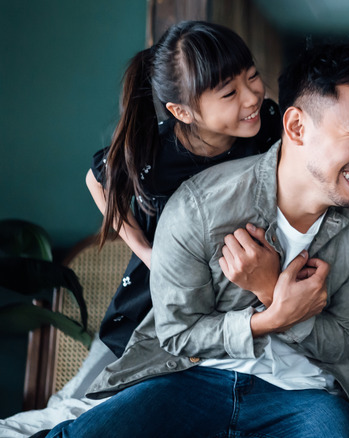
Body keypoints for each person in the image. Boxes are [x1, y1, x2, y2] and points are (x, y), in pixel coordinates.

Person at [43, 42, 349, 437]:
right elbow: (178, 335)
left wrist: (270, 291)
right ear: (296, 127)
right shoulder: (199, 203)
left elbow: (342, 345)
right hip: (188, 376)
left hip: (302, 392)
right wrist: (270, 318)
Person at [87, 20, 281, 358]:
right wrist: (149, 254)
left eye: (252, 76)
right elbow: (97, 180)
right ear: (182, 111)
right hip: (169, 295)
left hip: (240, 282)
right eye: (229, 93)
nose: (252, 97)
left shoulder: (268, 124)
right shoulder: (153, 154)